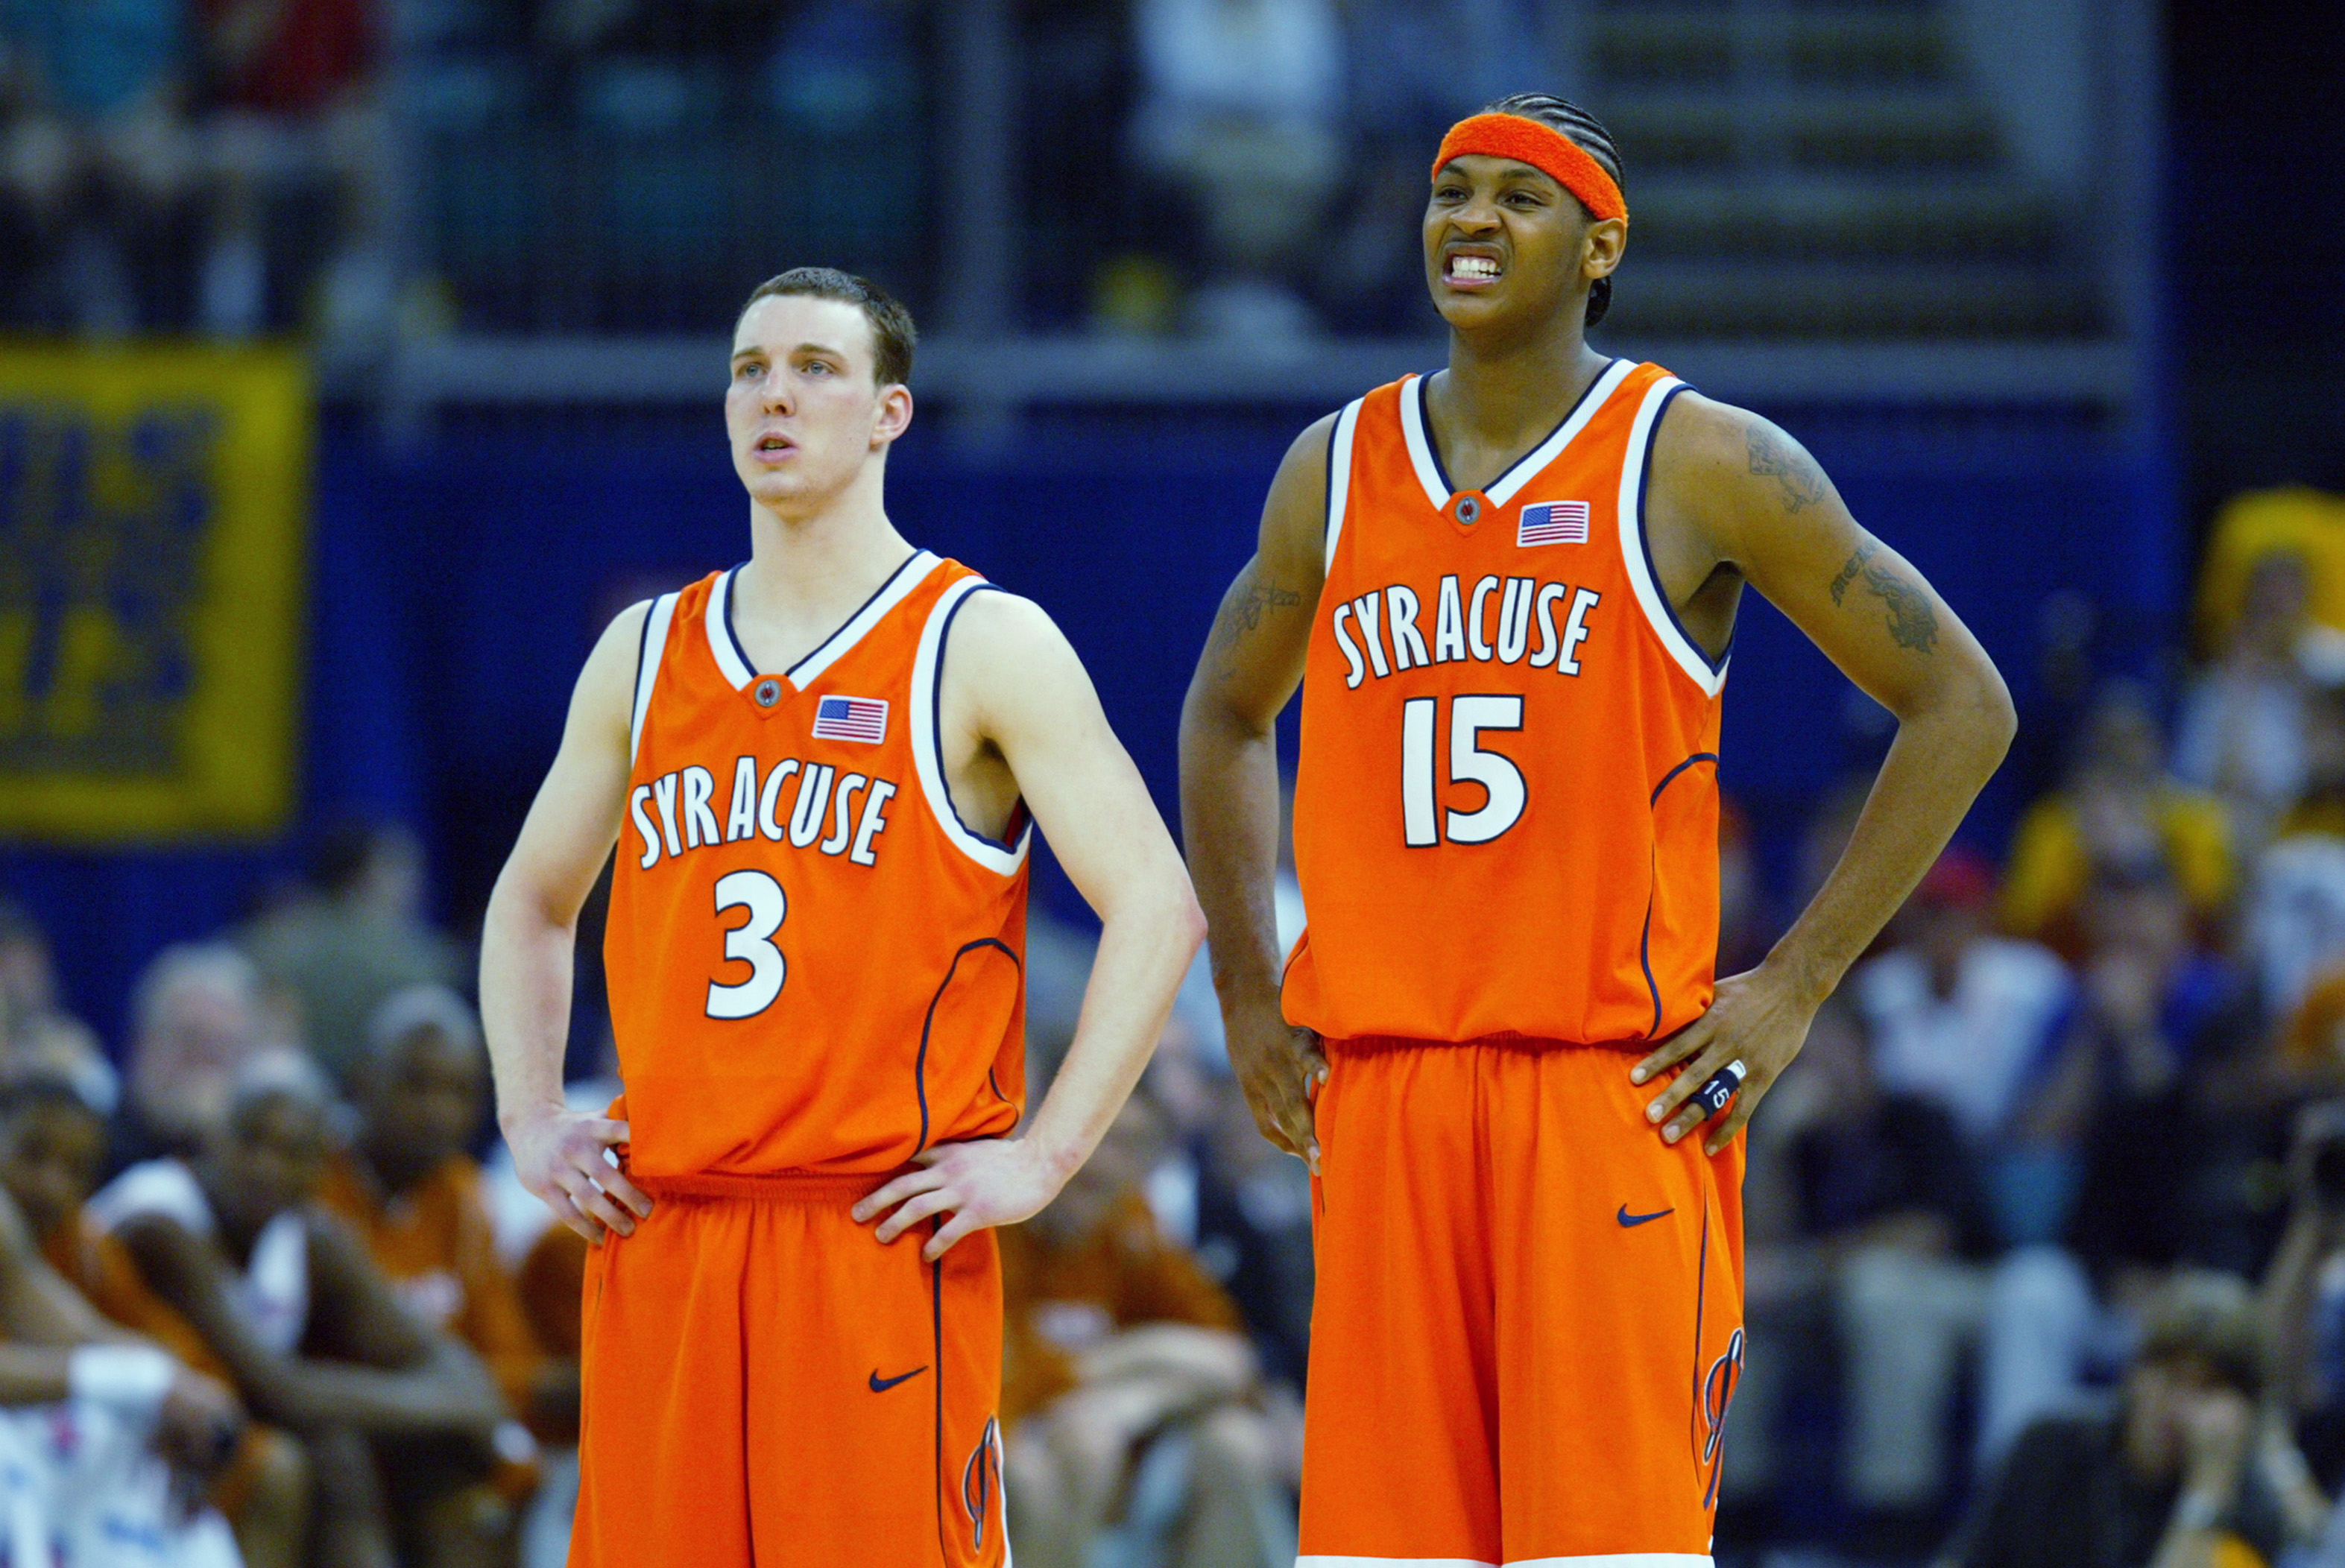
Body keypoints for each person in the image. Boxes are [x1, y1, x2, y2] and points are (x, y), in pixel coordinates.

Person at [1178, 94, 2015, 1562]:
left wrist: (1799, 978)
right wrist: (1249, 986)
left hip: (1603, 1100)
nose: (1470, 222)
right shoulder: (1335, 464)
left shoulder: (1698, 458)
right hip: (1383, 1102)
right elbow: (1223, 716)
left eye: (1517, 196)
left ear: (1600, 241)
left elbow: (1962, 701)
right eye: (1449, 191)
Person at [478, 266, 1202, 1568]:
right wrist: (531, 1116)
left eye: (815, 367)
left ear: (889, 414)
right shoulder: (644, 648)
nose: (774, 394)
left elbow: (1157, 903)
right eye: (750, 368)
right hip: (668, 1231)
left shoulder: (982, 639)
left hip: (870, 1235)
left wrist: (1042, 1156)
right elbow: (533, 897)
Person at [92, 1055, 512, 1568]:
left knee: (443, 1469)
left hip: (206, 1432)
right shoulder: (160, 1222)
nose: (266, 1167)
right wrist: (448, 1408)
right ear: (214, 1136)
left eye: (292, 1152)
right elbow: (278, 1391)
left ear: (320, 1167)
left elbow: (462, 1377)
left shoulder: (310, 1235)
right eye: (251, 1139)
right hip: (108, 1431)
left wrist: (458, 1410)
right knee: (308, 1462)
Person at [1, 1068, 309, 1568]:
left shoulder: (81, 1247)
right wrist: (130, 1380)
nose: (49, 1186)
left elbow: (81, 1334)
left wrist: (178, 1391)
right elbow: (102, 1370)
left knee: (203, 1469)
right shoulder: (155, 1222)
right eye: (33, 1156)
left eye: (74, 1168)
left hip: (50, 1448)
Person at [1000, 1092, 1292, 1568]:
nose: (1107, 1159)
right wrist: (1128, 1362)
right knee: (1074, 1451)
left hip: (1116, 1431)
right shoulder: (1005, 1225)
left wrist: (1136, 1400)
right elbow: (1005, 1378)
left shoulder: (1131, 1225)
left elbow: (1229, 1354)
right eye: (1099, 1136)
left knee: (1237, 1445)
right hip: (1016, 1429)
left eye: (1131, 1145)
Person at [1947, 1269, 2324, 1568]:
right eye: (2169, 1378)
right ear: (2135, 1374)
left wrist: (2205, 1495)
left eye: (2206, 1390)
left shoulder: (2246, 1503)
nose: (2179, 1407)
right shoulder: (2051, 1442)